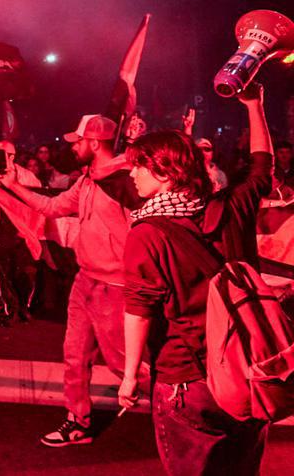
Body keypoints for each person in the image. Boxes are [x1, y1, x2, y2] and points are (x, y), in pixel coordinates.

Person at [118, 83, 273, 476]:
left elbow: (139, 310)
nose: (132, 172)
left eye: (139, 164)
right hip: (248, 372)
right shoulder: (232, 209)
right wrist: (254, 106)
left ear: (165, 173)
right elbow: (260, 168)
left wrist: (129, 374)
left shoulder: (147, 233)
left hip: (186, 379)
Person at [1, 114, 143, 447]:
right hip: (85, 281)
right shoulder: (88, 181)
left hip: (116, 287)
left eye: (77, 141)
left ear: (94, 143)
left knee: (125, 365)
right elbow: (51, 207)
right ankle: (77, 421)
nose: (74, 147)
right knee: (74, 356)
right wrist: (13, 186)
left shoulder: (125, 180)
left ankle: (189, 403)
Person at [0, 141, 41, 324]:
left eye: (0, 154)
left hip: (24, 231)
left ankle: (24, 306)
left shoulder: (28, 177)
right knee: (4, 274)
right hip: (2, 230)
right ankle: (10, 310)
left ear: (11, 156)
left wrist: (31, 231)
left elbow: (38, 206)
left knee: (25, 274)